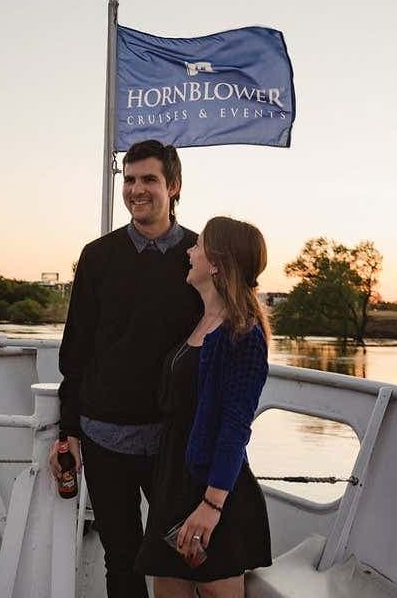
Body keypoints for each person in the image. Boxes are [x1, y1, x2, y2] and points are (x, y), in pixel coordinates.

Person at [49, 139, 203, 598]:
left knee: (182, 555)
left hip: (172, 440)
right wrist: (68, 430)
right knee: (121, 557)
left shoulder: (200, 256)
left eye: (149, 179)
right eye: (130, 179)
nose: (137, 190)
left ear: (173, 186)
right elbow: (75, 349)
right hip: (103, 436)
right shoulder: (98, 257)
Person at [136, 216, 273, 598]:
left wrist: (211, 506)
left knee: (218, 591)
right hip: (174, 483)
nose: (189, 251)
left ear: (215, 262)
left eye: (198, 246)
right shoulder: (202, 321)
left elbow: (234, 427)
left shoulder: (242, 334)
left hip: (209, 489)